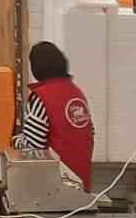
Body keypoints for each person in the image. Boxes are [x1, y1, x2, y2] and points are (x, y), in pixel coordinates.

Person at [15, 41, 96, 191]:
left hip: (53, 187)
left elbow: (33, 148)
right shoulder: (76, 93)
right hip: (81, 184)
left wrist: (14, 140)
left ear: (36, 68)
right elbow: (90, 135)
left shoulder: (42, 97)